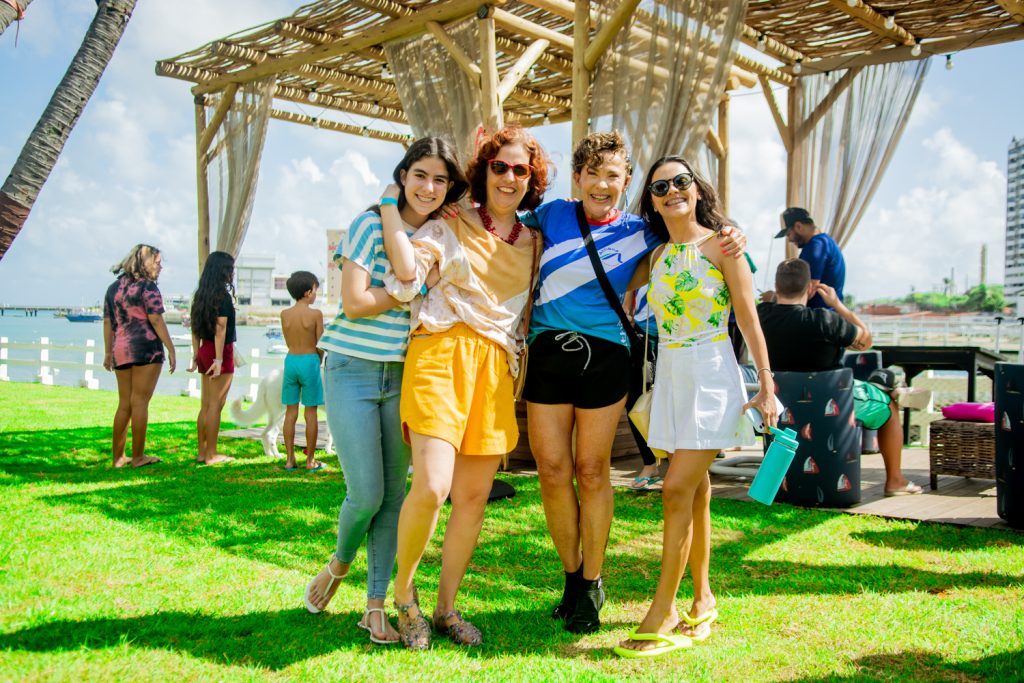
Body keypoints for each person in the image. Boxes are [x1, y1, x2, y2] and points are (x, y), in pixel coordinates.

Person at [521, 131, 745, 634]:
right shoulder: (551, 215)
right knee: (553, 470)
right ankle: (573, 579)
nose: (603, 184)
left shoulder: (645, 231)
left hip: (606, 357)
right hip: (547, 352)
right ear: (577, 178)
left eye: (614, 176)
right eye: (593, 174)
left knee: (592, 470)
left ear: (627, 182)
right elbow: (499, 226)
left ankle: (593, 583)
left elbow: (694, 233)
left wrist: (733, 234)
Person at [380, 125, 546, 649]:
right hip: (440, 351)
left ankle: (446, 607)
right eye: (500, 166)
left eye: (522, 169)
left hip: (496, 367)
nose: (510, 177)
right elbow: (407, 273)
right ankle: (403, 597)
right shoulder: (450, 220)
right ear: (483, 172)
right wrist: (390, 205)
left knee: (473, 496)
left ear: (532, 180)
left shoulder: (536, 241)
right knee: (432, 486)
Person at [303, 137, 469, 646]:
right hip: (352, 368)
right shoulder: (368, 224)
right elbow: (352, 303)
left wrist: (406, 288)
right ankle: (338, 563)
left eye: (440, 180)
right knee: (368, 492)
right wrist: (405, 289)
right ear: (403, 176)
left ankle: (376, 606)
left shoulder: (444, 236)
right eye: (420, 175)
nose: (429, 187)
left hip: (404, 372)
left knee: (396, 497)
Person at [615, 156, 778, 659]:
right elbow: (619, 286)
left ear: (697, 188)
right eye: (660, 186)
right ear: (652, 201)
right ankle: (703, 600)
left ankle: (663, 610)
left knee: (676, 489)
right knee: (697, 490)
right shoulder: (657, 253)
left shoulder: (723, 245)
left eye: (681, 181)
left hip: (711, 374)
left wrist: (767, 386)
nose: (671, 191)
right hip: (671, 376)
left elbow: (749, 320)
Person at [757, 258, 923, 496]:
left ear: (776, 285)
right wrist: (838, 305)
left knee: (880, 389)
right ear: (809, 288)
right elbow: (865, 341)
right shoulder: (826, 320)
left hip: (781, 404)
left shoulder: (761, 316)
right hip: (829, 406)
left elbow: (770, 307)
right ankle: (895, 480)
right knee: (890, 406)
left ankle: (886, 388)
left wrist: (773, 298)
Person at [102, 244, 176, 468]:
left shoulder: (113, 288)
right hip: (146, 349)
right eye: (157, 261)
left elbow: (108, 322)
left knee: (124, 403)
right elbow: (155, 319)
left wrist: (107, 352)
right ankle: (138, 457)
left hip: (121, 350)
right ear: (146, 262)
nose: (160, 266)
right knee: (140, 402)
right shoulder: (148, 287)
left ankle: (117, 458)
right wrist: (171, 348)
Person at [188, 251, 236, 466]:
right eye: (230, 269)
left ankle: (202, 452)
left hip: (204, 350)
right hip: (220, 352)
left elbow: (195, 328)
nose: (232, 273)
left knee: (206, 405)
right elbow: (221, 329)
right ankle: (212, 454)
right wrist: (218, 360)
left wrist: (195, 353)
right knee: (216, 405)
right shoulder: (222, 296)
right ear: (222, 271)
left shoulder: (201, 294)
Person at [279, 270, 325, 472]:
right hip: (309, 360)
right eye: (315, 290)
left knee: (290, 412)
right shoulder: (315, 314)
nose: (316, 294)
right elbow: (320, 343)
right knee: (311, 413)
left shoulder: (284, 314)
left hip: (291, 360)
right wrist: (319, 359)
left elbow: (288, 341)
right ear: (308, 292)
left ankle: (290, 459)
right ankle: (310, 460)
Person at [774, 207, 845, 309]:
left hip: (819, 319)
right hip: (829, 317)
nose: (789, 240)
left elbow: (808, 290)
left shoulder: (815, 246)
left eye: (788, 234)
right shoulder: (827, 242)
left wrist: (775, 297)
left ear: (798, 226)